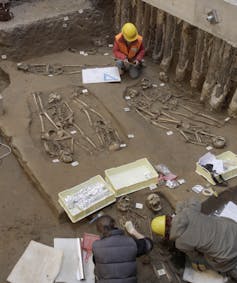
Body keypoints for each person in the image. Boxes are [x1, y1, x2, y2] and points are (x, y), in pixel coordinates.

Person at [151, 198, 237, 280]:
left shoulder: (180, 243)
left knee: (215, 263)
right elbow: (194, 200)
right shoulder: (188, 211)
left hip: (228, 254)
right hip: (232, 229)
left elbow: (196, 257)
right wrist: (179, 211)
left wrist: (199, 259)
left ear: (165, 235)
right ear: (168, 217)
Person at [92, 215, 153, 283]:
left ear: (99, 231)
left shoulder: (96, 246)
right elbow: (149, 244)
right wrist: (133, 231)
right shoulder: (131, 242)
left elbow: (95, 261)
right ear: (114, 223)